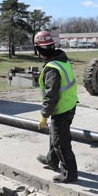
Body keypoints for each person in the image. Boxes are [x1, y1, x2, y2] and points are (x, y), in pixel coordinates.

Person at [34, 30, 79, 183]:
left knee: (61, 142)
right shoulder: (61, 60)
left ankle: (69, 174)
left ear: (39, 50)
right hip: (70, 104)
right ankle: (51, 161)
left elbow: (51, 96)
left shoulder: (52, 68)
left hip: (62, 109)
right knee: (55, 135)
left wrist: (44, 115)